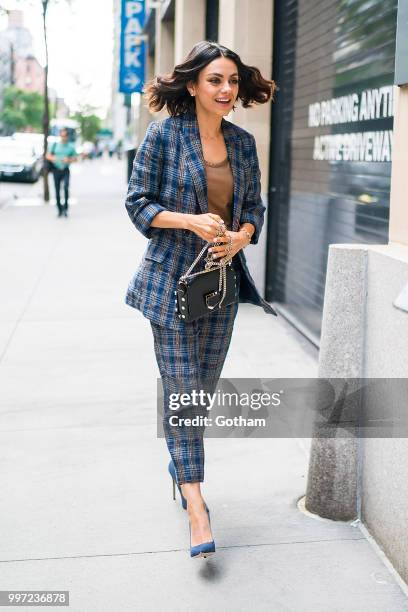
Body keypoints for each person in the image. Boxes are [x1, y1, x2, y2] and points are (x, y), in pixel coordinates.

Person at [124, 41, 277, 559]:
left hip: (219, 287)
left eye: (232, 81)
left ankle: (179, 465)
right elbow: (138, 203)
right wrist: (188, 219)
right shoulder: (164, 136)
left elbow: (253, 205)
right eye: (215, 80)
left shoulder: (241, 142)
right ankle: (196, 506)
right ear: (192, 85)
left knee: (199, 394)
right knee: (186, 393)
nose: (226, 89)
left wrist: (242, 235)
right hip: (169, 284)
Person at [46, 128, 77, 217]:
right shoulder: (55, 145)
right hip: (56, 170)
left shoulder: (70, 147)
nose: (63, 137)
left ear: (67, 136)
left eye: (65, 136)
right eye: (62, 135)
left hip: (65, 170)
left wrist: (68, 159)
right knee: (57, 190)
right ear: (60, 136)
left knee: (66, 187)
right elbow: (48, 155)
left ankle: (66, 208)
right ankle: (59, 209)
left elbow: (75, 158)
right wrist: (54, 158)